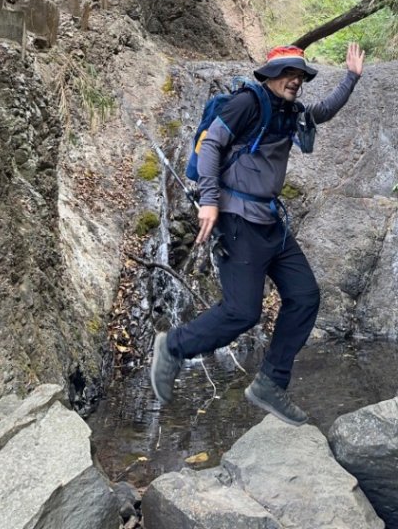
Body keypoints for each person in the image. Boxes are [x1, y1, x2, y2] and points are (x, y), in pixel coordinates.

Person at [150, 42, 365, 425]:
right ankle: (172, 347)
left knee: (304, 297)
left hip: (269, 222)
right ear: (269, 76)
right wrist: (210, 200)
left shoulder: (288, 111)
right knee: (241, 312)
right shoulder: (248, 103)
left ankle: (270, 383)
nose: (295, 81)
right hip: (237, 220)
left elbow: (322, 112)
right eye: (287, 73)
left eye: (299, 75)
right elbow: (213, 143)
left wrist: (351, 78)